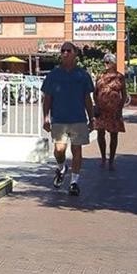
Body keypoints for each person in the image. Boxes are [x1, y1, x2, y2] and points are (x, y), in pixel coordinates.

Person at [41, 41, 96, 197]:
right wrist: (45, 117)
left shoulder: (82, 75)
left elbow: (87, 98)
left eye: (68, 51)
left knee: (77, 150)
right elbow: (47, 98)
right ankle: (61, 167)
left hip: (78, 118)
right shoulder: (53, 75)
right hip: (59, 119)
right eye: (63, 51)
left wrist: (91, 118)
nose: (65, 53)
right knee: (59, 150)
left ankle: (74, 182)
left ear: (75, 53)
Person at [91, 57, 127, 170]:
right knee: (100, 133)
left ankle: (111, 160)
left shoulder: (119, 77)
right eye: (104, 62)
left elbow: (124, 94)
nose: (106, 64)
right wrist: (96, 105)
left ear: (114, 63)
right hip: (101, 110)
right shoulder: (100, 76)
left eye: (108, 62)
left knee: (114, 135)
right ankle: (103, 158)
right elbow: (95, 93)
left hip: (114, 110)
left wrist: (120, 108)